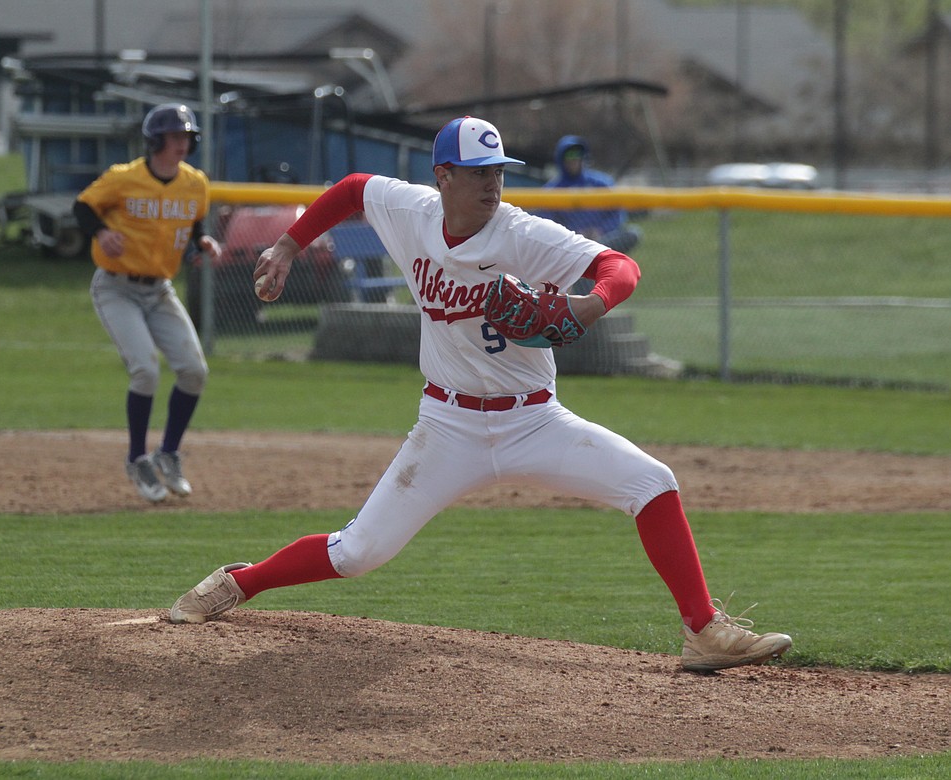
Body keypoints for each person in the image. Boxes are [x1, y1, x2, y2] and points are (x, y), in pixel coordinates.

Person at [169, 116, 791, 672]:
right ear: (442, 175)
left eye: (498, 171)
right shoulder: (411, 211)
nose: (492, 184)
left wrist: (589, 304)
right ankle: (239, 583)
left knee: (652, 482)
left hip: (535, 423)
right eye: (477, 172)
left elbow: (620, 267)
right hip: (447, 427)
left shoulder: (522, 234)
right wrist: (287, 243)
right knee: (359, 552)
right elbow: (354, 187)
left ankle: (703, 630)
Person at [73, 103, 219, 502]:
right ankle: (137, 458)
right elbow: (82, 206)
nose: (182, 144)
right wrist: (101, 233)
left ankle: (168, 453)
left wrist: (201, 241)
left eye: (187, 137)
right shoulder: (124, 178)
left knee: (193, 371)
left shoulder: (195, 183)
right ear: (155, 140)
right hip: (117, 288)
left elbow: (193, 220)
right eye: (174, 137)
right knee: (145, 370)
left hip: (160, 290)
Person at [540, 135, 641, 255]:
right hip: (572, 244)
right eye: (569, 155)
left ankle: (596, 256)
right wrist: (576, 233)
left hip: (603, 240)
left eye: (578, 154)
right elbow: (547, 223)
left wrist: (600, 230)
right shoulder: (552, 190)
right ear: (561, 158)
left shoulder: (601, 182)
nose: (574, 159)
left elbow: (617, 214)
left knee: (633, 232)